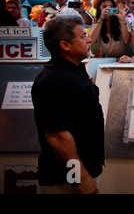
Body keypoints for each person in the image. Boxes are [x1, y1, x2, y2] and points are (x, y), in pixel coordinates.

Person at [31, 15, 104, 194]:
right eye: (82, 36)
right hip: (66, 180)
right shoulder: (57, 80)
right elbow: (57, 136)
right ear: (65, 45)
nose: (89, 39)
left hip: (85, 169)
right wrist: (81, 178)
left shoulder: (74, 70)